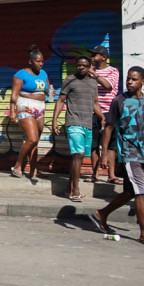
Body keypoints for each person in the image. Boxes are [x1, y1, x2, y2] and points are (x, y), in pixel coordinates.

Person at [90, 67, 144, 247]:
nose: (130, 82)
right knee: (141, 191)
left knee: (130, 192)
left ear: (142, 82)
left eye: (134, 79)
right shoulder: (119, 101)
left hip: (143, 153)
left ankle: (102, 213)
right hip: (129, 153)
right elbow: (109, 128)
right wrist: (105, 154)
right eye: (128, 79)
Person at [51, 56, 104, 202]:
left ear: (89, 67)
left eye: (84, 65)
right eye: (79, 65)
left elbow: (95, 103)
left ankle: (69, 189)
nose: (81, 67)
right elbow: (60, 100)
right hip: (73, 121)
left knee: (79, 157)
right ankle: (75, 190)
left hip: (88, 123)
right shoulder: (69, 80)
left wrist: (102, 117)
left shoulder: (93, 83)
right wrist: (54, 120)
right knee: (78, 154)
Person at [9, 45, 52, 178]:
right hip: (26, 107)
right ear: (30, 61)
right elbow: (14, 94)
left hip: (40, 107)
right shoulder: (20, 74)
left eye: (42, 61)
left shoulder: (43, 73)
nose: (41, 64)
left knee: (35, 141)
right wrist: (12, 111)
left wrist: (51, 92)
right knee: (32, 139)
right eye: (38, 61)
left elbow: (47, 90)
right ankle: (17, 166)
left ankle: (33, 168)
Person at [87, 45, 119, 183]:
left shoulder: (113, 71)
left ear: (104, 57)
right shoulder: (90, 72)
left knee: (111, 145)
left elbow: (108, 85)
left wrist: (94, 74)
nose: (92, 58)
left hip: (109, 112)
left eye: (95, 55)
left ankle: (111, 175)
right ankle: (95, 174)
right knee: (94, 144)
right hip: (93, 112)